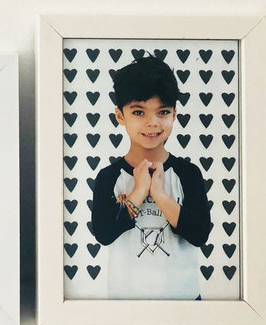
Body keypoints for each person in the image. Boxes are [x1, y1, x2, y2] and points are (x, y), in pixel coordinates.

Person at [90, 55, 212, 299]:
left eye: (163, 112)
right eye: (139, 112)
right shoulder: (108, 177)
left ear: (174, 114)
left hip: (185, 302)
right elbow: (104, 233)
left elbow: (199, 234)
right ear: (120, 116)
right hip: (125, 303)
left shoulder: (188, 173)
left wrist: (160, 195)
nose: (152, 123)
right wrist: (138, 192)